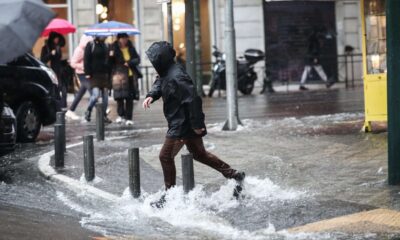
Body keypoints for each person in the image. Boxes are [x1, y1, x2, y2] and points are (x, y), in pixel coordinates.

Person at [142, 41, 245, 208]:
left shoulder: (177, 76)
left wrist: (198, 124)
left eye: (154, 61)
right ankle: (234, 174)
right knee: (199, 154)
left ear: (162, 60)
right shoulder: (167, 72)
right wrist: (151, 96)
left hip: (182, 125)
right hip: (181, 122)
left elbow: (193, 100)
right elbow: (160, 82)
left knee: (165, 156)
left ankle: (169, 196)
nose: (153, 64)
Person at [110, 33, 141, 126]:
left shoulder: (131, 48)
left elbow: (137, 59)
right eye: (122, 38)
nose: (124, 40)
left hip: (130, 75)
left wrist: (130, 62)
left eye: (126, 38)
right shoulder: (113, 48)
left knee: (129, 97)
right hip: (119, 76)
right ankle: (120, 115)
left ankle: (129, 117)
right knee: (119, 97)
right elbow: (110, 62)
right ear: (118, 39)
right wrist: (111, 55)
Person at [83, 36, 112, 123]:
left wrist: (111, 56)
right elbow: (86, 59)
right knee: (95, 95)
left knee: (105, 97)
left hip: (104, 74)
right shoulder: (91, 45)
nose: (104, 36)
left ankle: (104, 115)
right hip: (94, 74)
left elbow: (109, 61)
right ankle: (88, 110)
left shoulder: (106, 45)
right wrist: (87, 72)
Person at [65, 35, 93, 121]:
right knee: (92, 91)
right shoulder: (79, 50)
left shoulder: (86, 50)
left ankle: (71, 110)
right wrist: (84, 66)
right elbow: (73, 63)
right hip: (81, 73)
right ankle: (102, 110)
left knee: (81, 92)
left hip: (86, 72)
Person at [40, 31, 67, 107]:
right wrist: (50, 54)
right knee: (55, 91)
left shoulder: (58, 47)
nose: (57, 40)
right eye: (55, 38)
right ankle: (57, 108)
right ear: (52, 39)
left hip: (60, 71)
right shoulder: (46, 48)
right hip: (51, 72)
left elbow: (58, 61)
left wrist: (65, 62)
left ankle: (63, 108)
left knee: (63, 91)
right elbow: (43, 60)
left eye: (58, 38)